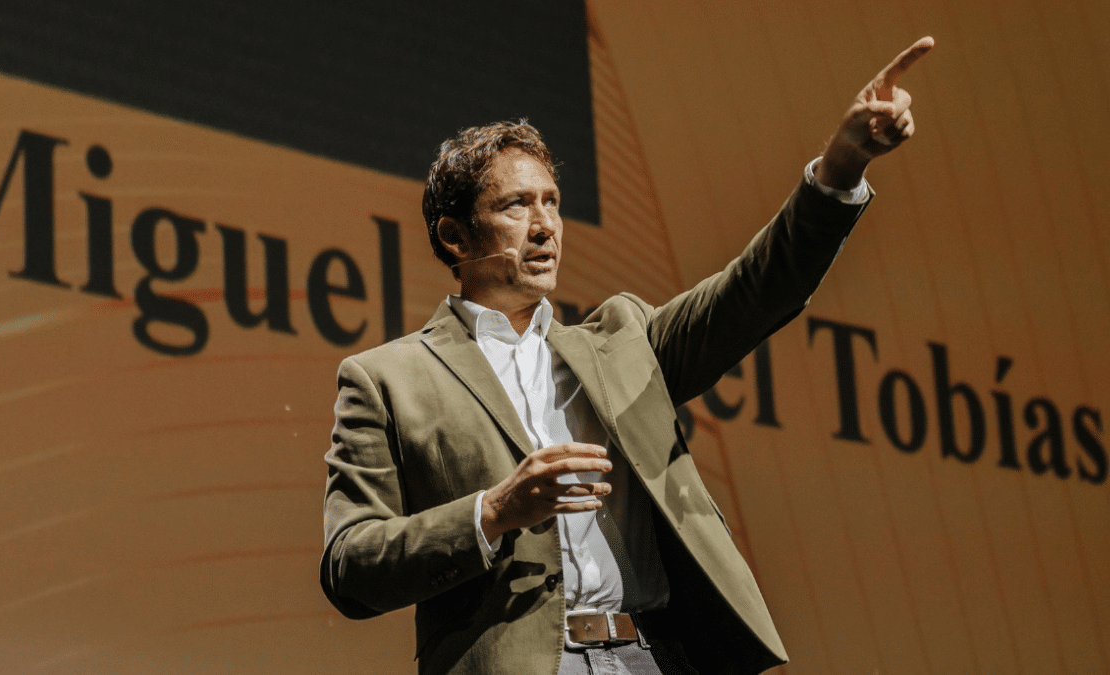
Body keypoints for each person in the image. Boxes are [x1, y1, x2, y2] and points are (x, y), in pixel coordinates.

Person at [321, 37, 935, 675]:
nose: (545, 225)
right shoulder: (388, 379)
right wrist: (496, 510)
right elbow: (350, 565)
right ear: (454, 235)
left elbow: (756, 289)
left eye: (552, 203)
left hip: (653, 658)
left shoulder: (621, 340)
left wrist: (841, 166)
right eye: (515, 205)